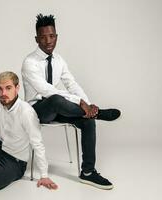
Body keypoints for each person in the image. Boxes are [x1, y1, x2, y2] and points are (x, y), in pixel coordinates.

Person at [21, 14, 121, 190]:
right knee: (56, 99)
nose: (48, 41)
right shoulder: (29, 62)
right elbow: (46, 90)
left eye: (51, 36)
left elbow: (71, 84)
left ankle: (88, 172)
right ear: (36, 39)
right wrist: (79, 102)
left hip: (60, 107)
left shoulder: (59, 60)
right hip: (37, 110)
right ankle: (100, 113)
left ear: (56, 37)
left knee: (87, 121)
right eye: (43, 37)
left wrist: (87, 106)